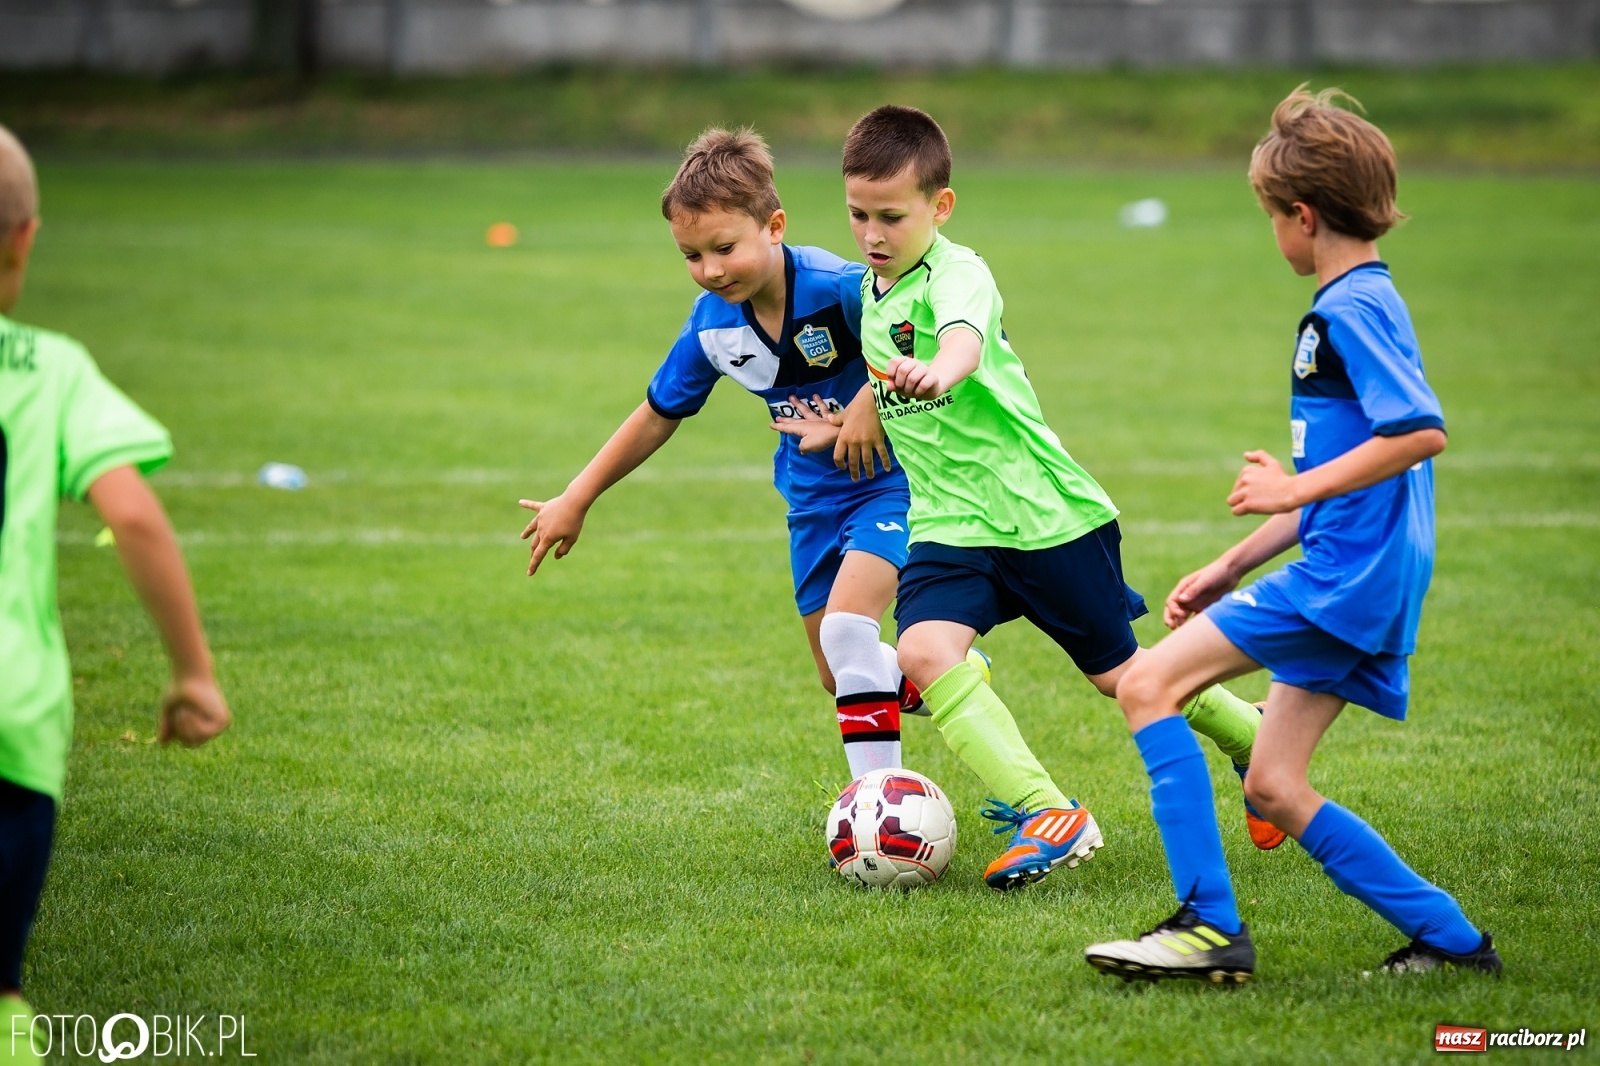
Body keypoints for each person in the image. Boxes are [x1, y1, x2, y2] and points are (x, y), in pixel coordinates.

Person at [1085, 86, 1501, 982]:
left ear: (1302, 217)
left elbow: (1420, 431)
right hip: (1357, 568)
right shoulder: (1367, 301)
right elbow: (1353, 471)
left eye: (1272, 216)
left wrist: (1293, 481)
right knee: (1274, 782)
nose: (1274, 232)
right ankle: (1455, 942)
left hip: (1346, 579)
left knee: (1148, 682)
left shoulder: (1346, 312)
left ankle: (1206, 924)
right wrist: (1232, 563)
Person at [837, 105, 1273, 896]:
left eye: (891, 216)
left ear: (940, 207)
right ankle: (1047, 812)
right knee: (924, 652)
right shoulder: (872, 292)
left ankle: (1252, 736)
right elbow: (884, 355)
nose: (872, 232)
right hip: (948, 524)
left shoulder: (959, 272)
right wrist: (862, 404)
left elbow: (962, 337)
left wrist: (946, 369)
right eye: (859, 214)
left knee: (1126, 677)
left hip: (1042, 516)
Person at [518, 127, 984, 782]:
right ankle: (939, 672)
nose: (710, 269)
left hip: (894, 487)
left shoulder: (840, 287)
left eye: (724, 248)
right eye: (691, 255)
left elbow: (935, 333)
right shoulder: (712, 326)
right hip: (811, 502)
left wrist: (871, 404)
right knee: (837, 672)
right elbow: (658, 413)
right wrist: (578, 495)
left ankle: (877, 806)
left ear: (775, 226)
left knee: (850, 633)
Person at [0, 123, 232, 1058]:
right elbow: (133, 516)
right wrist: (193, 673)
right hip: (11, 712)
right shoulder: (49, 369)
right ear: (27, 236)